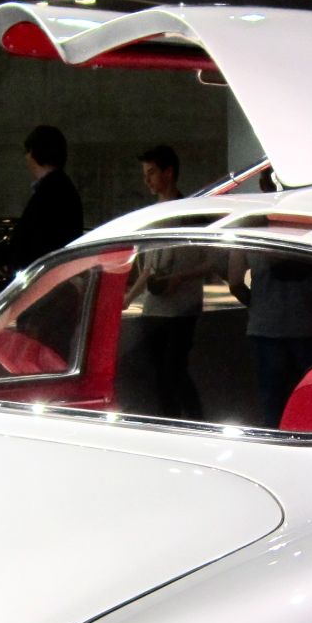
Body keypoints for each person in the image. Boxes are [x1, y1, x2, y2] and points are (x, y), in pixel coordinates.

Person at [126, 145, 211, 419]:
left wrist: (181, 278)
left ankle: (194, 422)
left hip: (182, 307)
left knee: (173, 371)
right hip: (155, 306)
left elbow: (212, 261)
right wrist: (127, 299)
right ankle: (174, 423)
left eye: (151, 173)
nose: (147, 180)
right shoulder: (153, 216)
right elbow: (148, 267)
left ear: (169, 172)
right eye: (145, 173)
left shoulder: (192, 214)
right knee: (163, 376)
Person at [227, 248, 312, 429]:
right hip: (308, 325)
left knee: (272, 400)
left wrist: (257, 305)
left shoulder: (249, 236)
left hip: (265, 328)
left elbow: (234, 283)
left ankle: (277, 443)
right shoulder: (306, 233)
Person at [0, 124, 83, 274]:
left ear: (34, 153)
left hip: (43, 280)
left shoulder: (49, 193)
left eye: (27, 152)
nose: (26, 158)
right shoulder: (62, 188)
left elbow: (26, 243)